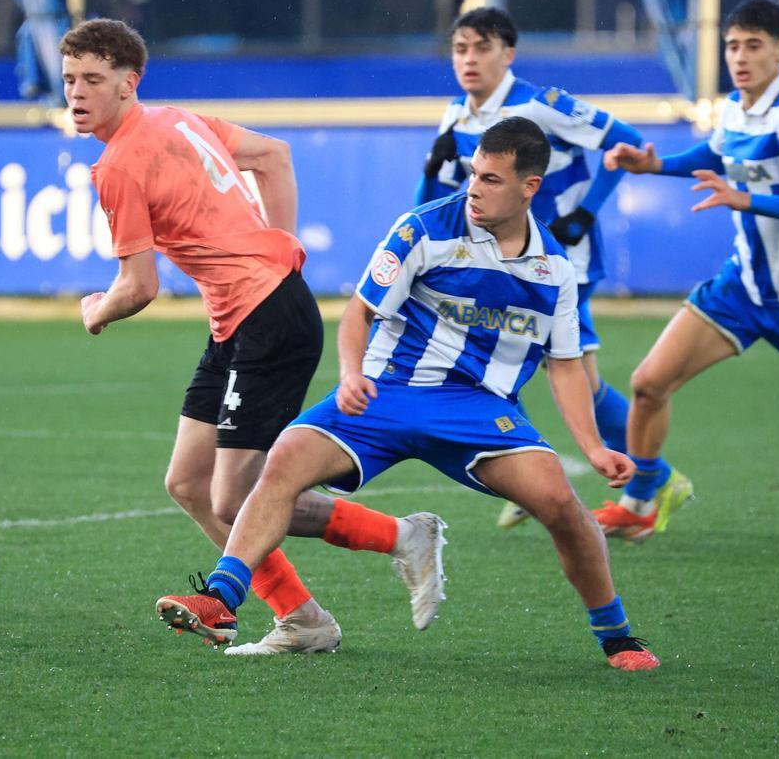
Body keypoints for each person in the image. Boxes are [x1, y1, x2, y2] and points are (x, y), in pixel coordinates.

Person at [158, 117, 661, 671]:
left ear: (529, 188)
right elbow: (360, 312)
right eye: (474, 174)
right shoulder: (423, 228)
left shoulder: (554, 270)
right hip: (385, 392)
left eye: (492, 179)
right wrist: (351, 374)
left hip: (478, 409)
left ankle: (617, 636)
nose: (474, 188)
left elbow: (564, 366)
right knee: (284, 462)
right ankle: (221, 597)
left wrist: (591, 448)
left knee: (562, 505)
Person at [62, 18, 447, 655]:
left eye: (93, 80)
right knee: (188, 484)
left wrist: (96, 312)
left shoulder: (118, 165)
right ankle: (303, 620)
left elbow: (138, 286)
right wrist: (283, 247)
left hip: (267, 320)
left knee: (235, 493)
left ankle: (403, 536)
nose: (77, 92)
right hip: (242, 319)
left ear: (130, 84)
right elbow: (275, 156)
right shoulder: (177, 120)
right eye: (71, 78)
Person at [594, 0, 779, 539]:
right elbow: (718, 155)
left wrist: (746, 200)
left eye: (753, 46)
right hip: (741, 289)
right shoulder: (737, 106)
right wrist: (657, 166)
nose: (739, 57)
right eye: (732, 46)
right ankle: (641, 501)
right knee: (649, 382)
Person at [417, 7, 691, 532]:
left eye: (482, 47)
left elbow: (624, 139)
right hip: (496, 267)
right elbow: (439, 192)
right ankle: (537, 469)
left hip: (560, 262)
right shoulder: (455, 113)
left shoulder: (538, 106)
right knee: (520, 363)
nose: (469, 59)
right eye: (460, 48)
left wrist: (584, 213)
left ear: (509, 54)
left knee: (568, 375)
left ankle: (649, 477)